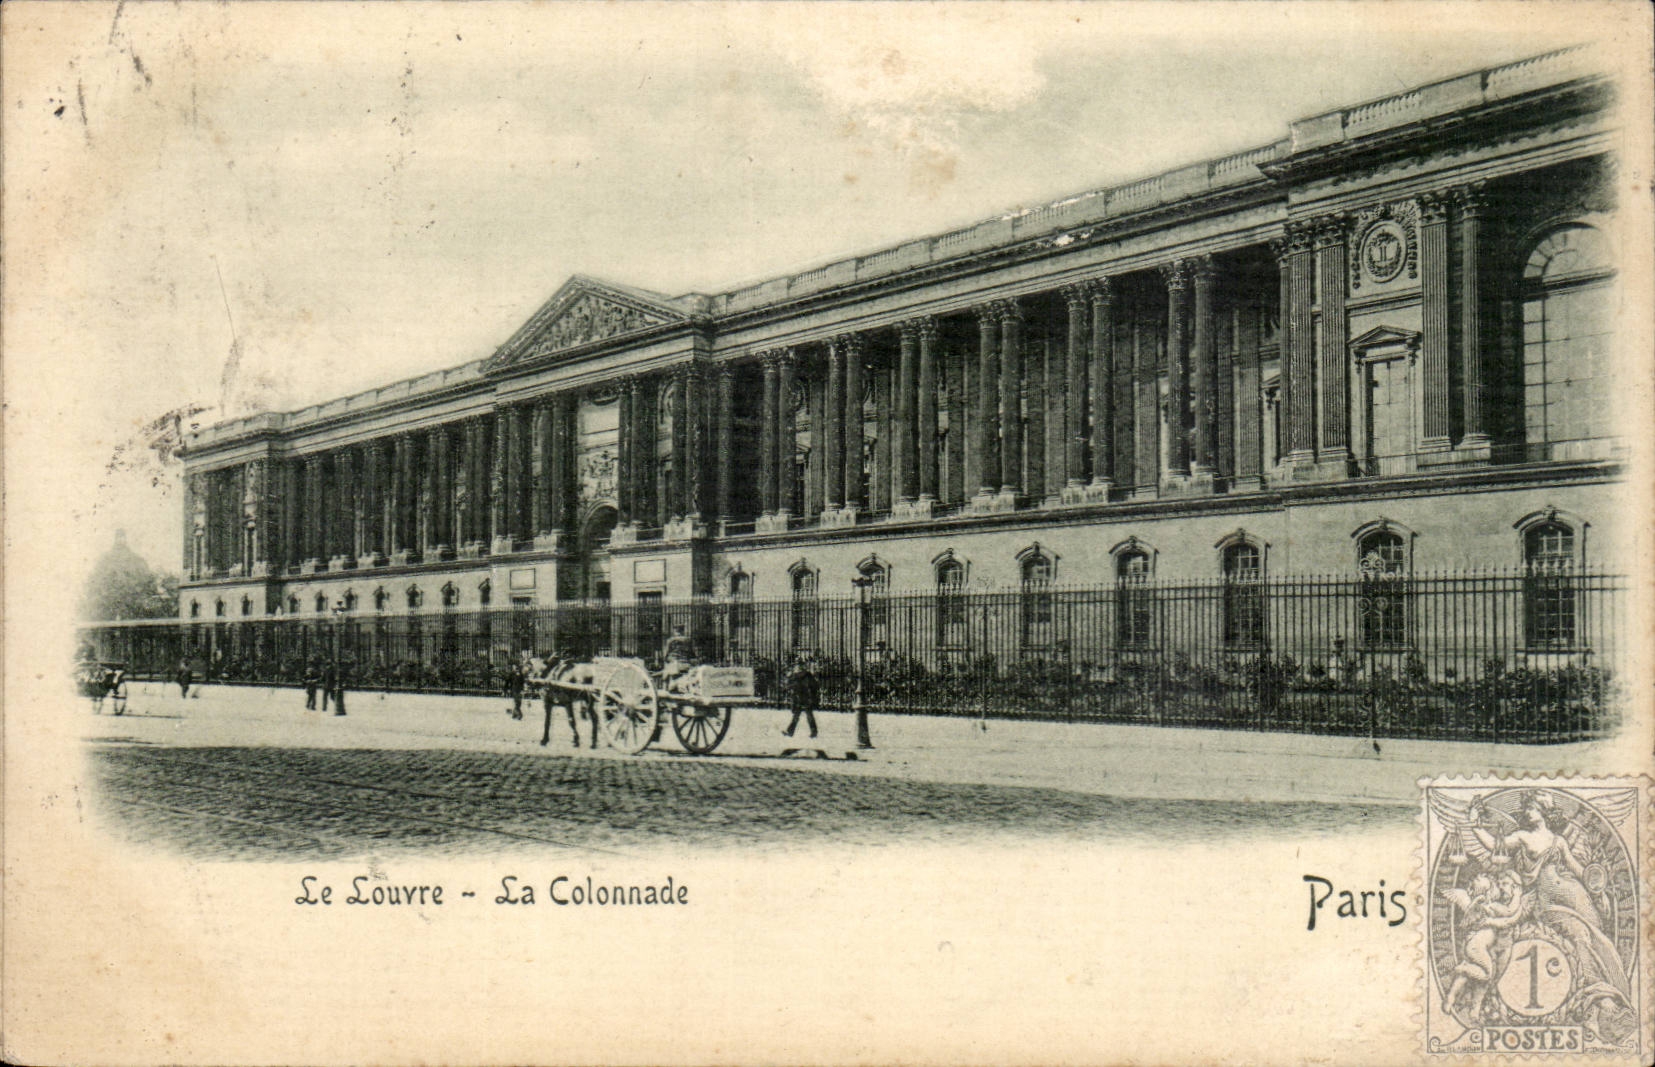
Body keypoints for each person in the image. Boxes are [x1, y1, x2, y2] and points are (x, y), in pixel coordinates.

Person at [783, 653, 820, 739]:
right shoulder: (807, 675)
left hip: (799, 697)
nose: (798, 666)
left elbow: (788, 686)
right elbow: (814, 685)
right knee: (806, 715)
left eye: (799, 664)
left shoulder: (794, 675)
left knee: (800, 715)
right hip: (805, 697)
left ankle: (791, 731)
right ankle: (813, 732)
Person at [504, 652, 529, 720]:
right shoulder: (512, 673)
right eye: (514, 666)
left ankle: (514, 714)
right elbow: (507, 681)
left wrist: (523, 689)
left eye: (515, 666)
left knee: (518, 702)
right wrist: (505, 689)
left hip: (519, 689)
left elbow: (522, 681)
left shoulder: (520, 673)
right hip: (514, 689)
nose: (515, 667)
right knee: (517, 702)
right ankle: (519, 714)